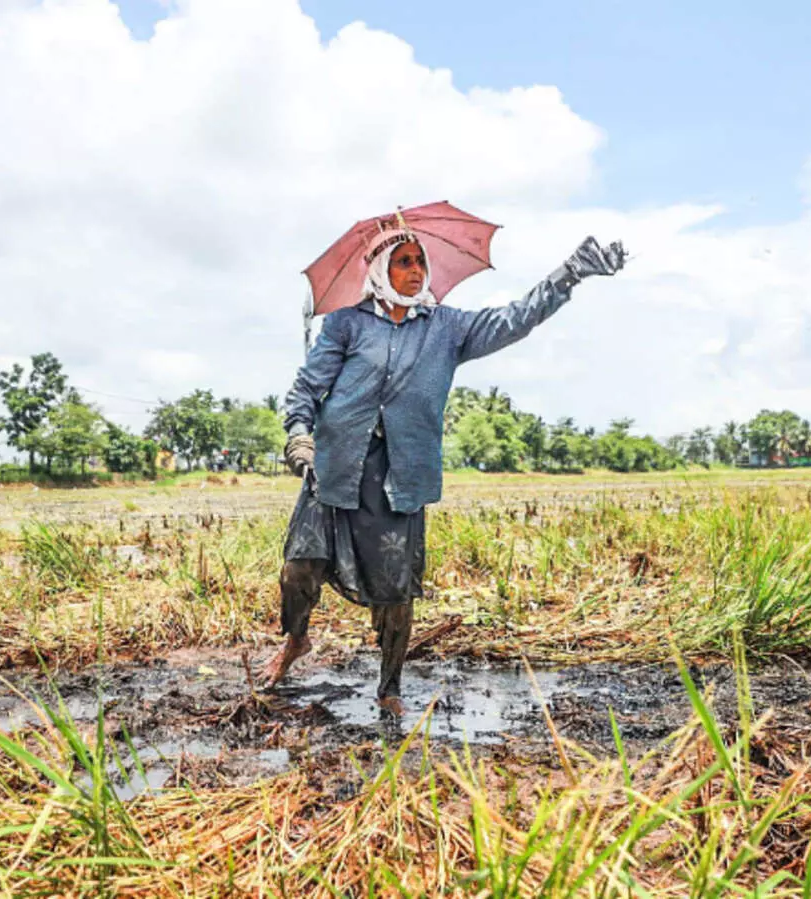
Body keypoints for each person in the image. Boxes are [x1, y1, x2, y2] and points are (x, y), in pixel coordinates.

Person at [260, 226, 627, 714]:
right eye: (403, 262)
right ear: (379, 271)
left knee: (395, 589)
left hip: (399, 477)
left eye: (420, 262)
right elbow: (306, 389)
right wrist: (299, 434)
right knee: (299, 568)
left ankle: (389, 687)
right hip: (335, 466)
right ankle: (296, 641)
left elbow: (515, 319)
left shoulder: (446, 328)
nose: (415, 272)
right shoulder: (346, 325)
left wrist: (569, 274)